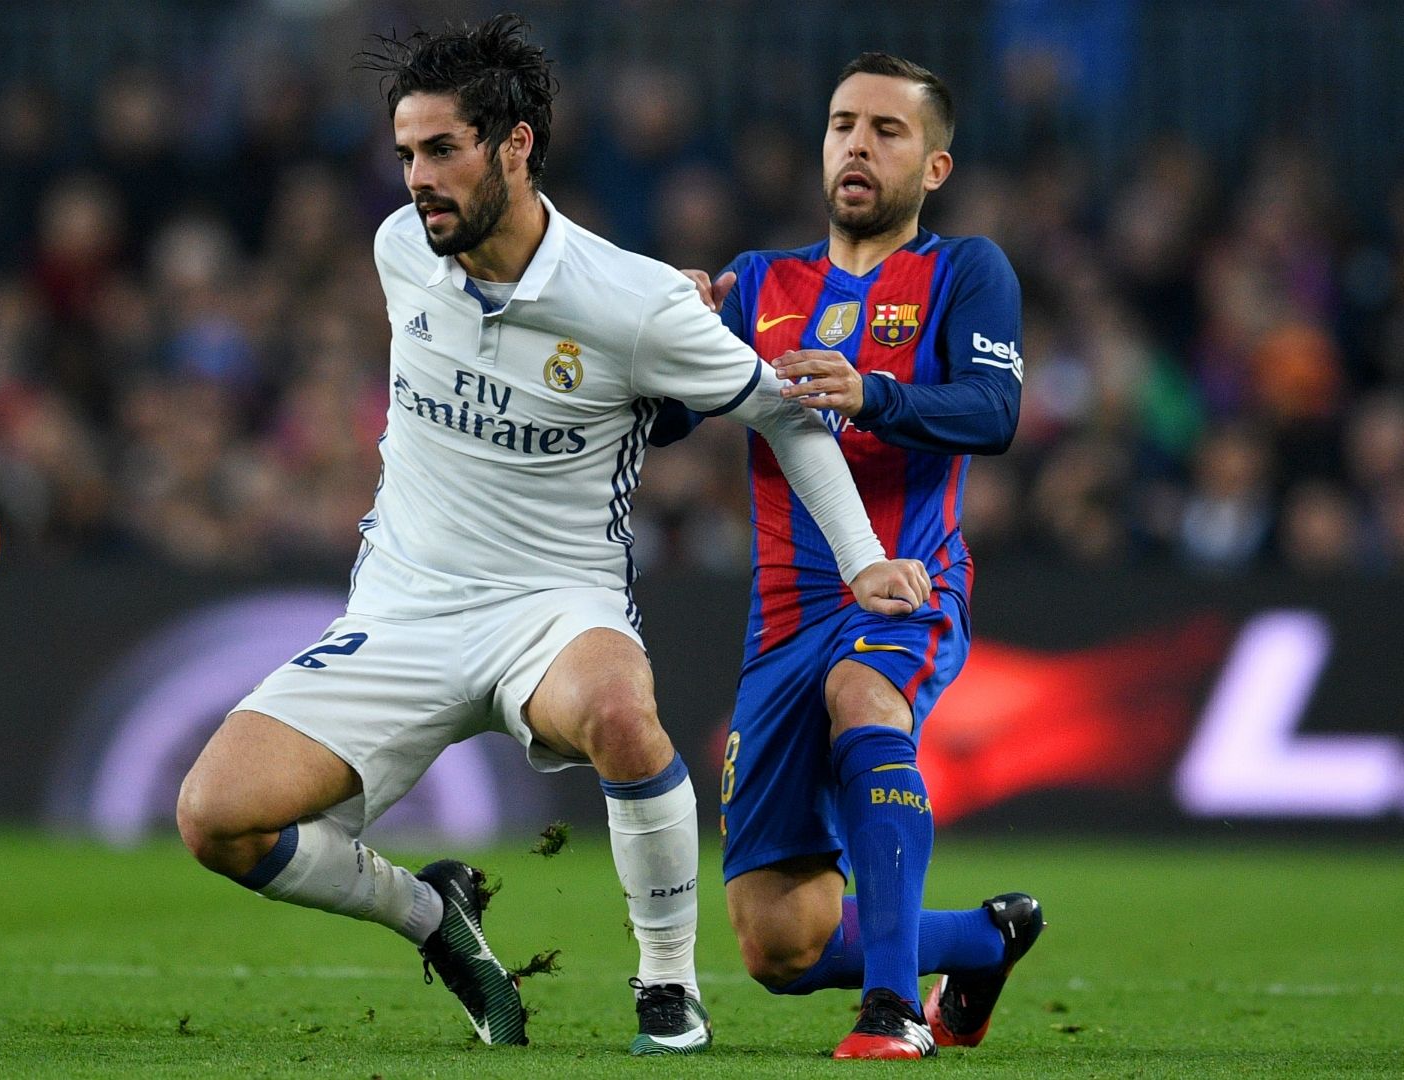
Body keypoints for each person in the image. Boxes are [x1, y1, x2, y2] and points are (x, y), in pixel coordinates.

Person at [175, 17, 930, 1055]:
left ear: (516, 146)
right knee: (215, 818)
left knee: (624, 717)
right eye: (406, 154)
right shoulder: (404, 250)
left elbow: (785, 414)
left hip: (554, 607)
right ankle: (434, 917)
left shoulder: (635, 301)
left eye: (442, 150)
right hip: (404, 605)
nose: (418, 180)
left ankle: (668, 986)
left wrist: (862, 561)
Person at [659, 52, 1043, 1059]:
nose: (858, 146)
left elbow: (994, 411)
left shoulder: (966, 271)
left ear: (935, 167)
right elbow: (661, 425)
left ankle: (893, 1013)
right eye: (842, 126)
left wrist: (871, 390)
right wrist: (671, 336)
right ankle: (982, 942)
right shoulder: (761, 283)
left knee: (864, 699)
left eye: (887, 130)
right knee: (779, 943)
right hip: (782, 618)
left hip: (908, 580)